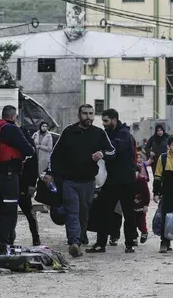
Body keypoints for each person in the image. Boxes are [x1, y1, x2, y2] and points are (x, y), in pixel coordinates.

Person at [46, 104, 115, 258]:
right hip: (69, 181)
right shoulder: (69, 132)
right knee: (72, 212)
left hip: (89, 182)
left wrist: (102, 153)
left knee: (84, 214)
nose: (88, 117)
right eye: (85, 113)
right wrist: (50, 172)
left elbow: (112, 151)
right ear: (79, 115)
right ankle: (74, 243)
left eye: (91, 114)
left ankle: (81, 235)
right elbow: (56, 155)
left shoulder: (99, 133)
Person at [86, 108, 138, 254]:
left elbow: (116, 146)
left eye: (106, 121)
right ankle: (100, 244)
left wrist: (102, 152)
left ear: (114, 120)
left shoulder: (124, 134)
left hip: (126, 180)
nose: (104, 123)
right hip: (111, 180)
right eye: (103, 121)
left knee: (128, 213)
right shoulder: (107, 133)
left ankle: (129, 243)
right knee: (104, 211)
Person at [0, 105, 35, 245]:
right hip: (10, 175)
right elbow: (29, 149)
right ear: (14, 117)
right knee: (9, 209)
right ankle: (4, 242)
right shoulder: (12, 129)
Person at [18, 122, 41, 246]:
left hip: (24, 184)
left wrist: (32, 184)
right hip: (13, 182)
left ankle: (36, 238)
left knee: (28, 210)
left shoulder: (28, 143)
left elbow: (33, 166)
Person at [133, 164, 151, 244]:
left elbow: (147, 193)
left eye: (135, 172)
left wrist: (146, 205)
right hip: (131, 205)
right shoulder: (129, 181)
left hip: (141, 205)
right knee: (132, 223)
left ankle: (144, 232)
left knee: (141, 222)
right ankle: (133, 237)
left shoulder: (142, 180)